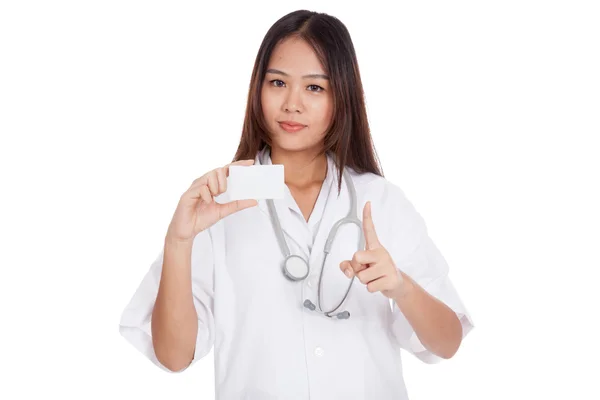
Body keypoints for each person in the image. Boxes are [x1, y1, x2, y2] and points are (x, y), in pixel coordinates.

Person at [119, 9, 474, 400]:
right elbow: (173, 357)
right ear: (258, 88)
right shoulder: (217, 203)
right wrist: (178, 242)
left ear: (343, 96)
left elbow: (447, 343)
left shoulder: (381, 200)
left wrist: (401, 288)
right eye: (277, 82)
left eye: (314, 88)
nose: (292, 103)